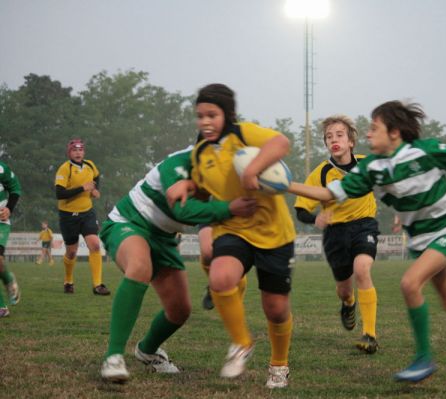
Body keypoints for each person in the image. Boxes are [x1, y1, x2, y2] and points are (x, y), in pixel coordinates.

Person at [287, 100, 446, 382]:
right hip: (420, 239)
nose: (367, 135)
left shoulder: (426, 152)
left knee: (410, 283)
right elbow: (328, 194)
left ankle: (423, 359)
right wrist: (282, 184)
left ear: (394, 132)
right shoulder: (373, 168)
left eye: (374, 128)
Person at [166, 83, 296, 389]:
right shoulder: (200, 152)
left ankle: (279, 365)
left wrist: (253, 169)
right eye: (200, 116)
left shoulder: (244, 134)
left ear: (227, 114)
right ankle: (241, 343)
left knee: (275, 309)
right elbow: (202, 187)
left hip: (274, 233)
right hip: (233, 228)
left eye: (212, 114)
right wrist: (186, 187)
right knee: (221, 278)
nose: (205, 122)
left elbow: (281, 143)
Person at [99, 144, 257, 383]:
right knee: (140, 266)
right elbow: (183, 210)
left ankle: (147, 350)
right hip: (130, 221)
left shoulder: (225, 173)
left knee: (179, 310)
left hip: (165, 238)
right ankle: (113, 359)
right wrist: (229, 208)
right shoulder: (178, 163)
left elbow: (210, 226)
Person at [294, 114, 380, 353]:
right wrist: (316, 218)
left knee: (362, 270)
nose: (334, 140)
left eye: (339, 135)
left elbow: (393, 179)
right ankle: (348, 303)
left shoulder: (367, 164)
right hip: (335, 234)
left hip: (364, 225)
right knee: (344, 288)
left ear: (351, 141)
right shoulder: (321, 173)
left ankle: (370, 335)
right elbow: (301, 210)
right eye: (329, 136)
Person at [55, 139, 110, 295]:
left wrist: (95, 189)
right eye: (74, 150)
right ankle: (68, 281)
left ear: (83, 152)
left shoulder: (90, 165)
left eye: (80, 150)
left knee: (95, 245)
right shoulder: (65, 169)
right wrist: (82, 188)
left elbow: (97, 177)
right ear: (69, 153)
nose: (78, 153)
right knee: (71, 252)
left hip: (87, 213)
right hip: (68, 216)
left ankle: (98, 285)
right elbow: (59, 194)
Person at [0, 161, 21, 318]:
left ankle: (8, 280)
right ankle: (1, 306)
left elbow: (15, 188)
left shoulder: (1, 168)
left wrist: (9, 209)